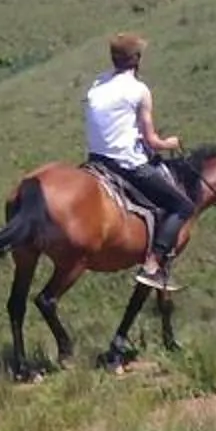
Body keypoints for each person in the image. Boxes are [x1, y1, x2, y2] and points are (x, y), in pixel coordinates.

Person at [85, 33, 192, 291]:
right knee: (182, 206)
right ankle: (153, 265)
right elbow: (152, 141)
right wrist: (171, 143)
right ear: (137, 60)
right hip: (127, 164)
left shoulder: (98, 83)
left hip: (97, 160)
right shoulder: (139, 90)